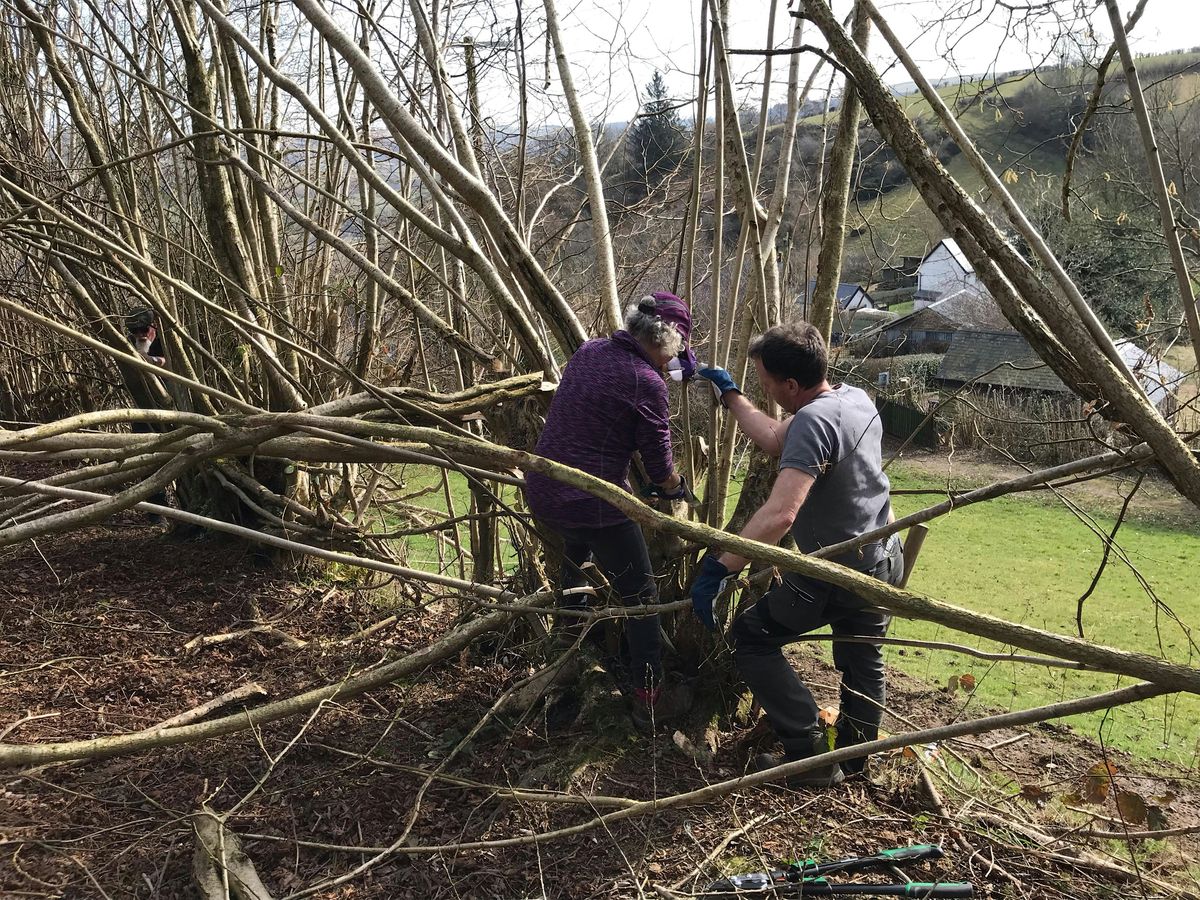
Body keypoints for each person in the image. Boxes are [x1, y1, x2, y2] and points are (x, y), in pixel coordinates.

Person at [691, 322, 903, 786]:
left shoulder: (811, 420)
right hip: (883, 556)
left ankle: (809, 756)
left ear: (791, 384)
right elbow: (772, 436)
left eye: (766, 383)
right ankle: (853, 759)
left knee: (751, 638)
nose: (763, 389)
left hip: (834, 570)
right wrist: (730, 395)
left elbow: (782, 513)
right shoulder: (853, 399)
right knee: (863, 658)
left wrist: (720, 565)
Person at [523, 291, 697, 732]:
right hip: (592, 499)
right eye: (681, 344)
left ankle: (569, 654)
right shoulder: (646, 380)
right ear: (668, 339)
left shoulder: (590, 350)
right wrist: (676, 488)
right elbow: (658, 466)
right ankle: (649, 699)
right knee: (641, 598)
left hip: (547, 488)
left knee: (576, 567)